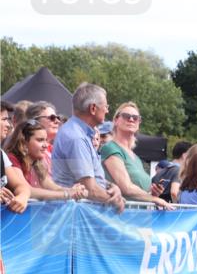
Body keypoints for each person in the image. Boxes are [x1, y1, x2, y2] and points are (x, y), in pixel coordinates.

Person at [50, 82, 125, 213]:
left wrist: (112, 187)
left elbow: (91, 177)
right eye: (106, 106)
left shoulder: (79, 134)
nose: (107, 110)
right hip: (74, 217)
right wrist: (116, 200)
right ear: (93, 109)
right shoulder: (76, 137)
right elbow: (89, 188)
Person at [100, 101, 173, 209]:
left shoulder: (136, 158)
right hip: (119, 218)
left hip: (138, 218)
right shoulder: (110, 148)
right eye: (126, 116)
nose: (131, 119)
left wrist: (153, 193)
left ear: (139, 123)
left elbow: (139, 194)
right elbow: (126, 188)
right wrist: (154, 199)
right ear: (116, 120)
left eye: (135, 117)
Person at [3, 119, 87, 201]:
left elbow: (53, 187)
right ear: (24, 142)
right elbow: (28, 191)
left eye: (46, 140)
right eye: (40, 140)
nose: (46, 145)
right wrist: (67, 194)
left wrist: (73, 191)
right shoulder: (12, 159)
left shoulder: (37, 162)